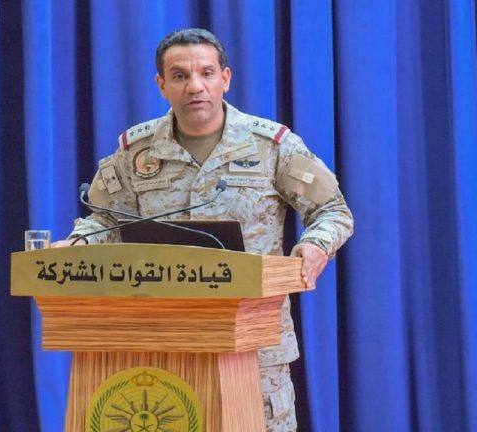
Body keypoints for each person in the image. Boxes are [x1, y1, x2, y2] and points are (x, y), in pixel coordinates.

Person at [56, 28, 354, 431]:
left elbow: (332, 211)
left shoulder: (272, 146)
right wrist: (78, 242)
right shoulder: (136, 152)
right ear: (161, 84)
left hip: (254, 348)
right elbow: (107, 219)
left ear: (225, 79)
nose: (194, 86)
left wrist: (316, 244)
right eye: (179, 76)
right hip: (164, 345)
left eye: (206, 73)